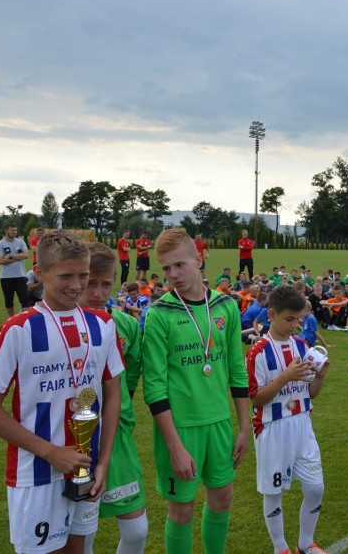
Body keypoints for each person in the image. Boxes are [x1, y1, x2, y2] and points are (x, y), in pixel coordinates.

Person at [0, 229, 123, 554]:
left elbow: (113, 396)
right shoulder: (17, 329)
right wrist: (51, 452)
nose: (76, 285)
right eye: (66, 275)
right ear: (40, 272)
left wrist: (104, 462)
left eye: (83, 275)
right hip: (36, 472)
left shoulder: (103, 324)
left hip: (87, 466)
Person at [142, 228, 250, 554]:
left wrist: (244, 426)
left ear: (198, 260)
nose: (173, 274)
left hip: (218, 423)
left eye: (179, 265)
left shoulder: (225, 306)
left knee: (222, 499)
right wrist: (174, 447)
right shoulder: (160, 313)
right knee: (182, 509)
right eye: (166, 269)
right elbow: (154, 386)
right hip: (180, 428)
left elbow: (236, 368)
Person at [247, 285, 331, 554]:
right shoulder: (258, 352)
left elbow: (310, 394)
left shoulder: (302, 345)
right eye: (289, 319)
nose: (295, 325)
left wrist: (319, 376)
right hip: (273, 428)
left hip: (302, 425)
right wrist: (285, 377)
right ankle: (280, 547)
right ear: (271, 314)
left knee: (316, 488)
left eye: (299, 320)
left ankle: (306, 543)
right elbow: (257, 399)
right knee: (274, 493)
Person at [81, 243, 149, 554]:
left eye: (105, 284)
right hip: (75, 438)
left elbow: (133, 367)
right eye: (89, 282)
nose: (97, 292)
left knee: (137, 530)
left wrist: (121, 404)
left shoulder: (126, 324)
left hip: (117, 435)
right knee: (83, 530)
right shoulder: (61, 326)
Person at [0, 222, 31, 317]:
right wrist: (18, 257)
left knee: (24, 299)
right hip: (6, 276)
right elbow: (0, 261)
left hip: (21, 275)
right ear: (6, 230)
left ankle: (24, 320)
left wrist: (10, 256)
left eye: (15, 230)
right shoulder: (0, 244)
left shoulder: (20, 242)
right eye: (12, 230)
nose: (14, 232)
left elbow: (26, 255)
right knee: (8, 299)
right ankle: (11, 319)